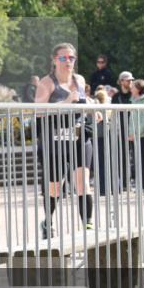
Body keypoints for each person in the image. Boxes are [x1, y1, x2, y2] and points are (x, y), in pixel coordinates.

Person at [34, 43, 95, 238]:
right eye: (63, 58)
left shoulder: (79, 79)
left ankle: (88, 225)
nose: (68, 62)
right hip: (55, 138)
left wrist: (93, 109)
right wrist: (66, 102)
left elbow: (82, 102)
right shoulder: (47, 83)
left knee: (83, 182)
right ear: (54, 60)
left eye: (71, 58)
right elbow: (38, 111)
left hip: (78, 134)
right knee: (55, 186)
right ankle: (48, 222)